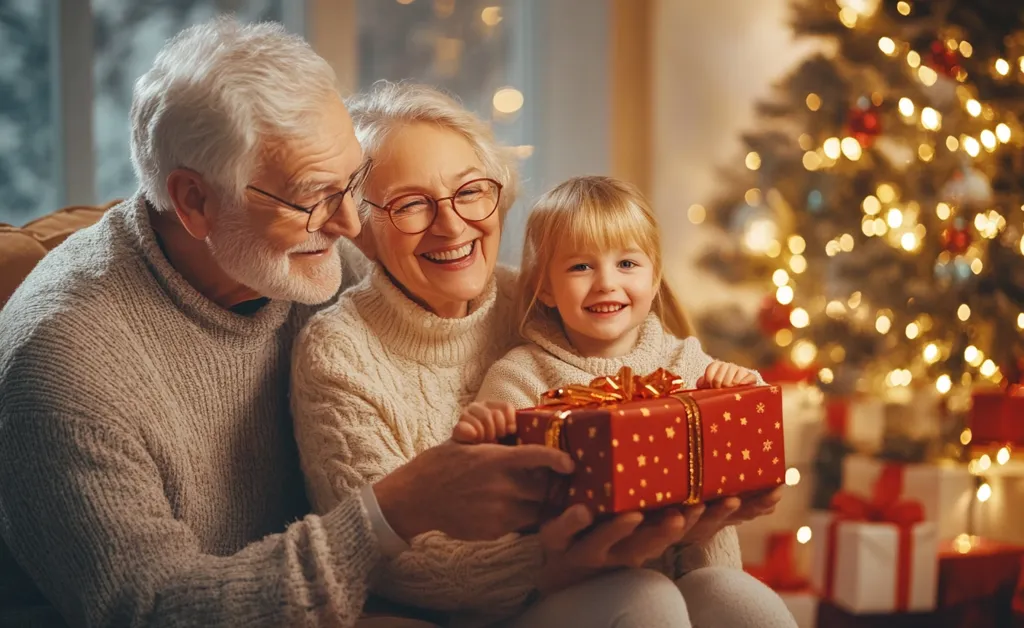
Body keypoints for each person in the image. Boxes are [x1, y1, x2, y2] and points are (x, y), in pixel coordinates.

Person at [0, 19, 576, 628]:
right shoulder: (64, 367)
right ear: (193, 201)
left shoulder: (314, 263)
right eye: (312, 196)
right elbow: (152, 609)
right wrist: (392, 513)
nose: (351, 224)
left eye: (354, 183)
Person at [290, 83, 784, 628]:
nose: (452, 225)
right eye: (410, 204)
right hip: (510, 605)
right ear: (360, 229)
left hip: (642, 569)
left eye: (470, 191)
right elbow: (390, 561)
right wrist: (555, 560)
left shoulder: (545, 305)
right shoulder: (339, 352)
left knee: (735, 598)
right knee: (645, 598)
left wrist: (710, 518)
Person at [456, 175, 799, 627]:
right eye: (581, 267)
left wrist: (740, 385)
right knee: (651, 597)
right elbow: (477, 486)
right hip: (574, 589)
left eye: (626, 264)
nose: (605, 283)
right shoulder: (520, 376)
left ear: (654, 277)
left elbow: (744, 425)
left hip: (689, 567)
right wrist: (481, 435)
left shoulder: (684, 359)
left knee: (743, 598)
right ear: (544, 288)